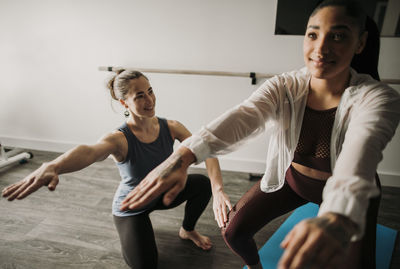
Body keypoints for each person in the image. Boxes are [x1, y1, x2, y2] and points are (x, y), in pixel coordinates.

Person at [118, 1, 400, 269]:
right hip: (293, 181)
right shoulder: (285, 86)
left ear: (360, 42)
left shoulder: (377, 98)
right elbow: (243, 116)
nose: (321, 47)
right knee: (233, 231)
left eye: (338, 36)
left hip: (350, 192)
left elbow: (362, 150)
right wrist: (184, 155)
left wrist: (338, 212)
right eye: (313, 34)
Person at [1, 70, 232, 269]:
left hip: (162, 192)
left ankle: (187, 230)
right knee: (146, 265)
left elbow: (206, 149)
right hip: (132, 206)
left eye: (150, 91)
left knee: (202, 184)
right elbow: (90, 151)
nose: (149, 100)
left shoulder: (170, 127)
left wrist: (218, 188)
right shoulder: (119, 139)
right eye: (140, 95)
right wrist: (54, 165)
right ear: (124, 103)